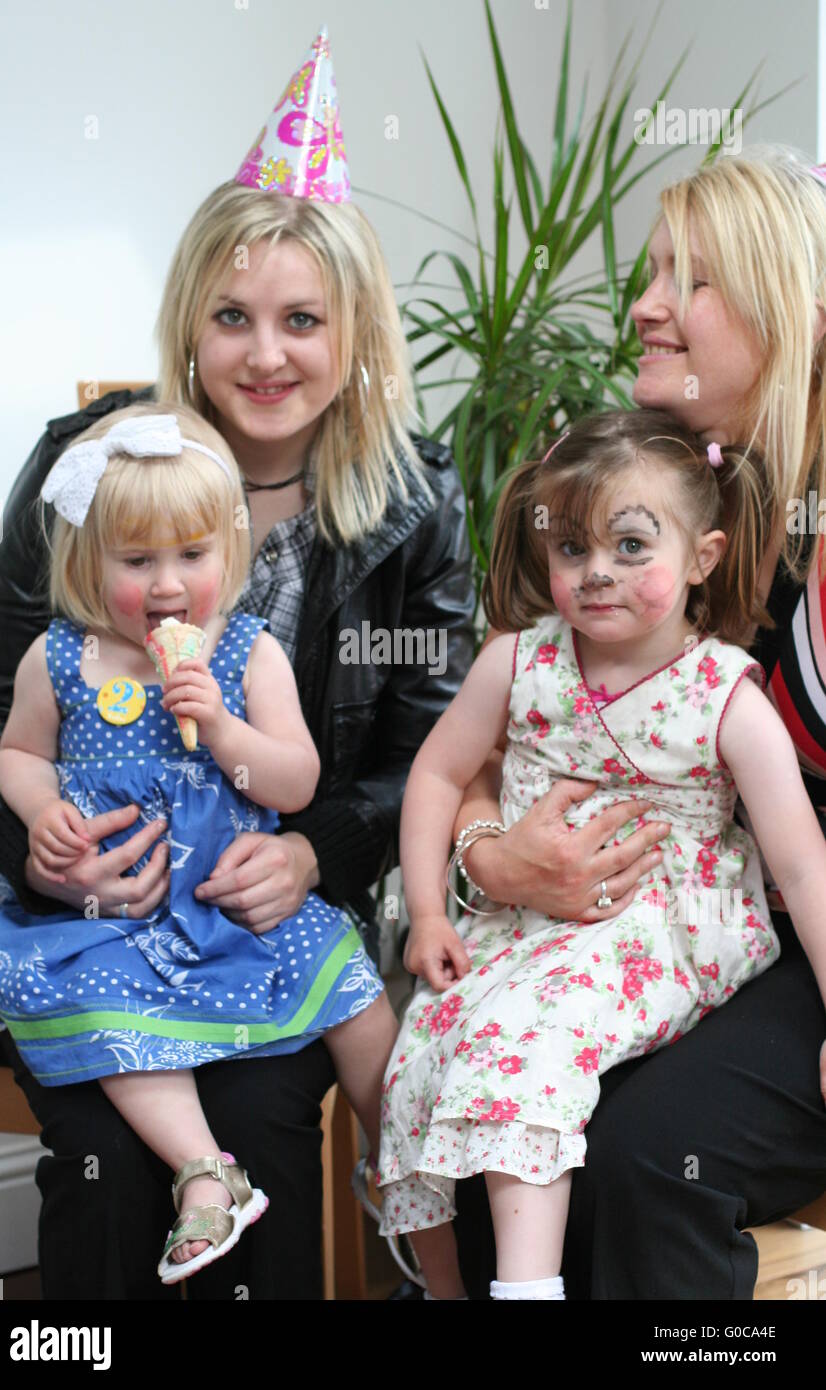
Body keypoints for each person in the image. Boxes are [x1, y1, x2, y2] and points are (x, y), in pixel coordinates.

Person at [0, 28, 473, 1299]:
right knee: (103, 1145)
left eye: (302, 319)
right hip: (96, 920)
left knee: (256, 1116)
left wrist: (313, 852)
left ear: (352, 332)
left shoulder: (412, 504)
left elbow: (431, 751)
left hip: (274, 915)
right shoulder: (89, 470)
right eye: (232, 317)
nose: (264, 355)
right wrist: (42, 844)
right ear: (188, 321)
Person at [449, 147, 826, 1300]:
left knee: (651, 1154)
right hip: (683, 936)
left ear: (790, 310)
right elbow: (487, 742)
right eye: (648, 271)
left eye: (689, 280)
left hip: (790, 947)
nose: (644, 306)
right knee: (500, 1114)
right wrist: (491, 858)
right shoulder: (631, 501)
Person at [376, 406, 826, 1301]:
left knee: (533, 1054)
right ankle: (445, 1290)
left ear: (702, 557)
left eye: (630, 547)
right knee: (419, 1054)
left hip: (661, 929)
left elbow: (805, 864)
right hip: (524, 927)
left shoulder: (725, 697)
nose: (596, 575)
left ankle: (528, 1290)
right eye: (572, 549)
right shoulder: (518, 661)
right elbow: (435, 774)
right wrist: (429, 909)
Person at [0, 402, 401, 1285]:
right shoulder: (59, 659)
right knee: (104, 1011)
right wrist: (41, 814)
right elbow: (14, 750)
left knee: (351, 989)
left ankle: (406, 1162)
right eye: (137, 560)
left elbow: (296, 781)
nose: (168, 585)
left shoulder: (248, 654)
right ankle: (207, 1172)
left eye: (191, 555)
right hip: (109, 920)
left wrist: (226, 731)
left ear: (227, 556)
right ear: (90, 563)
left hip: (227, 911)